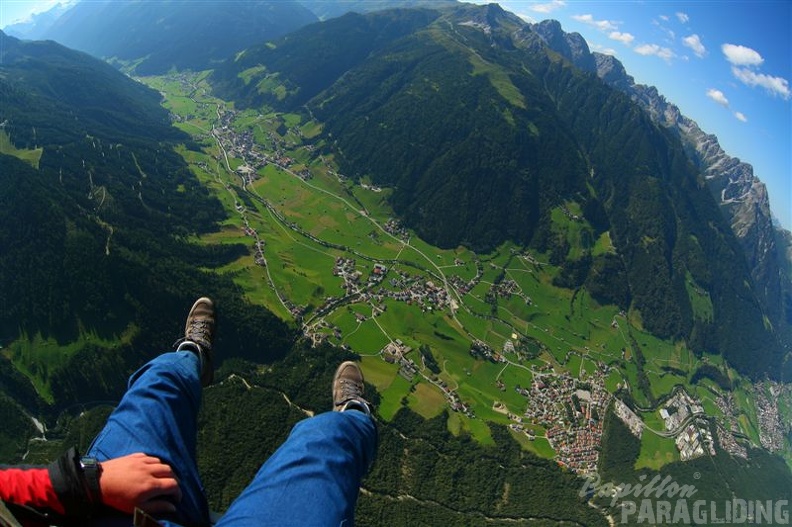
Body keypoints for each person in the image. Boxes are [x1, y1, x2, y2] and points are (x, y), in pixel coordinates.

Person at [0, 297, 378, 527]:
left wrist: (87, 481)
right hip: (104, 512)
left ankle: (192, 356)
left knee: (158, 384)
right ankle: (356, 417)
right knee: (324, 445)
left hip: (96, 509)